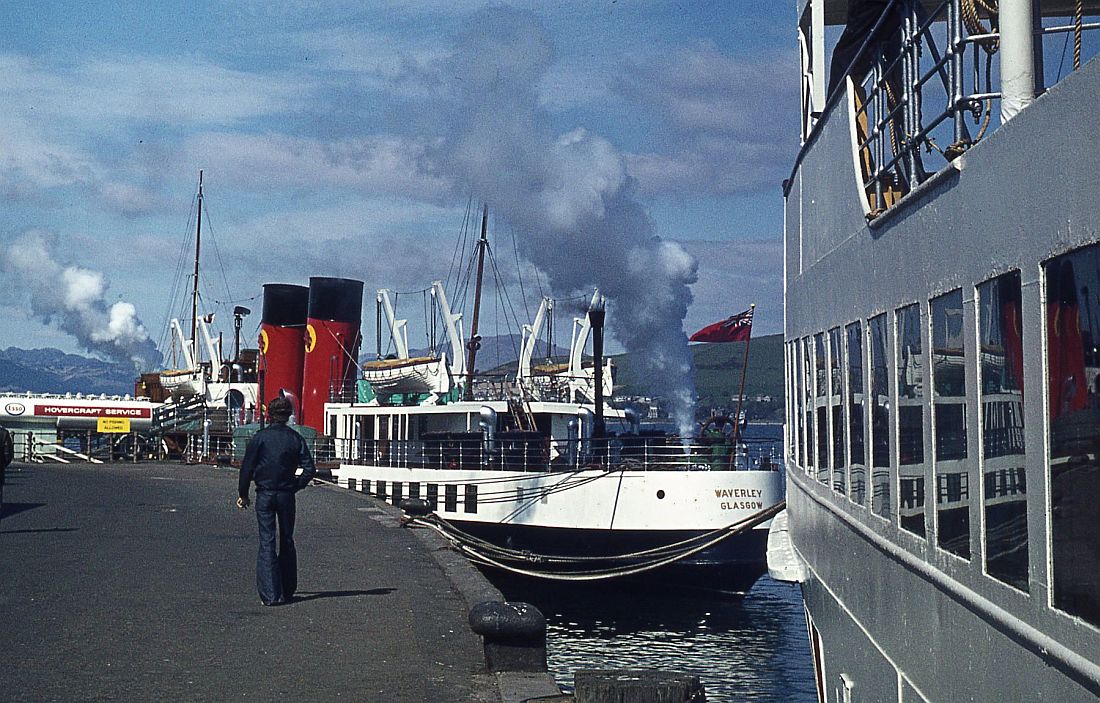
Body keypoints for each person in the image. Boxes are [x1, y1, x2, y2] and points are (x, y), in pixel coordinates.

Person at [237, 397, 317, 606]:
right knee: (287, 540)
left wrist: (243, 494)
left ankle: (271, 595)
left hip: (264, 493)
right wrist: (295, 485)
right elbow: (310, 469)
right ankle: (288, 590)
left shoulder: (259, 438)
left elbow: (246, 469)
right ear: (289, 414)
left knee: (267, 541)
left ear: (269, 415)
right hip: (286, 495)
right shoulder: (295, 438)